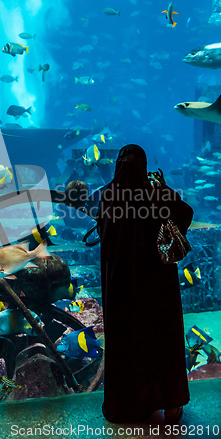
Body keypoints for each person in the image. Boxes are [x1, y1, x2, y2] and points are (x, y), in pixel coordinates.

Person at [97, 144, 193, 424]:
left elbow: (103, 233)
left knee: (126, 346)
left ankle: (125, 406)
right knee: (163, 342)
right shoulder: (156, 194)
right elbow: (185, 215)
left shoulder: (108, 196)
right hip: (157, 291)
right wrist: (163, 187)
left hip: (121, 291)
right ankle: (171, 404)